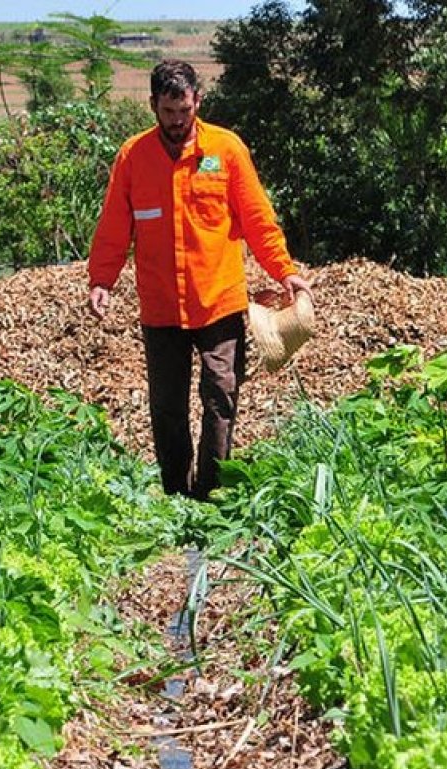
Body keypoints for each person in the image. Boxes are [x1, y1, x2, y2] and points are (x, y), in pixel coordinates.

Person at [87, 59, 311, 500]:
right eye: (167, 112)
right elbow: (115, 224)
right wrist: (102, 279)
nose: (175, 121)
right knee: (167, 408)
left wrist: (284, 271)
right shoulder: (134, 157)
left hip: (219, 302)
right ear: (153, 105)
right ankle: (176, 497)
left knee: (221, 395)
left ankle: (211, 495)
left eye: (183, 111)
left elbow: (257, 220)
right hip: (161, 306)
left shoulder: (226, 151)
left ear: (197, 102)